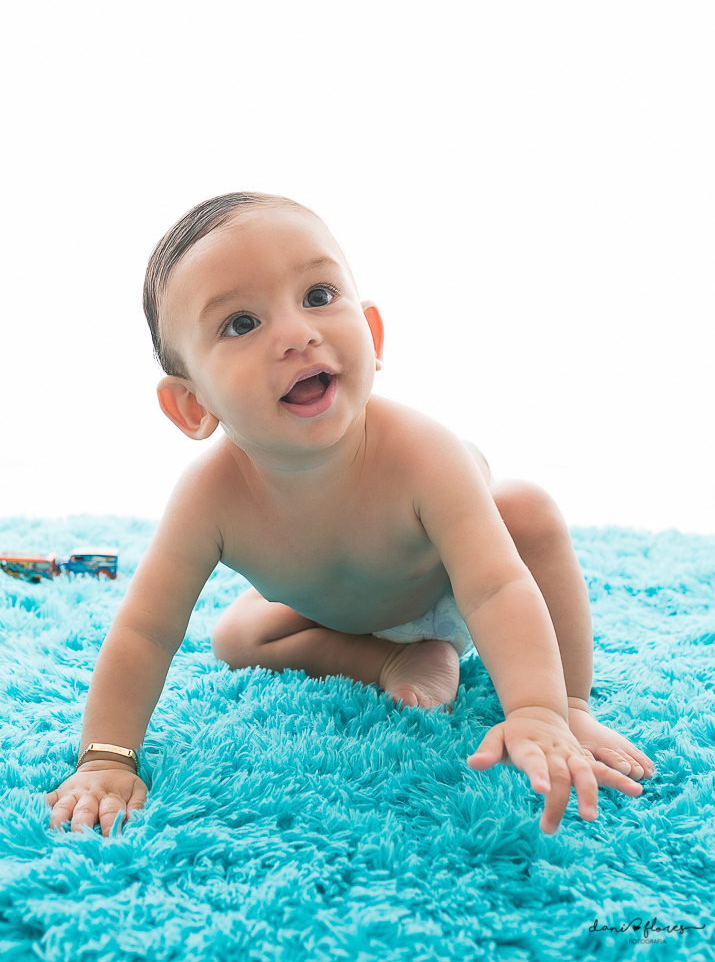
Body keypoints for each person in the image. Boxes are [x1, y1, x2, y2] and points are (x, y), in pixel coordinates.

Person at [46, 192, 653, 838]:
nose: (296, 334)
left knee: (526, 508)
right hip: (345, 611)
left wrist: (538, 709)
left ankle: (574, 704)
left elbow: (496, 587)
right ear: (193, 406)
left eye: (317, 296)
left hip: (454, 586)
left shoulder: (422, 452)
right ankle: (389, 661)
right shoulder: (207, 498)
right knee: (233, 636)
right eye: (242, 324)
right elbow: (144, 632)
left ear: (372, 335)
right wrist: (106, 758)